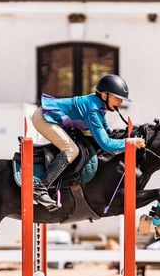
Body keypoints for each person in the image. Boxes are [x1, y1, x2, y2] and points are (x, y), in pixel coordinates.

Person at [30, 73, 145, 210]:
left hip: (50, 117)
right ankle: (39, 188)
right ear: (104, 96)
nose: (120, 103)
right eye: (117, 99)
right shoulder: (93, 110)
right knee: (71, 150)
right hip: (43, 119)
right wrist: (129, 143)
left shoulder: (99, 107)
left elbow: (107, 132)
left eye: (121, 100)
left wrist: (125, 137)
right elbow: (106, 145)